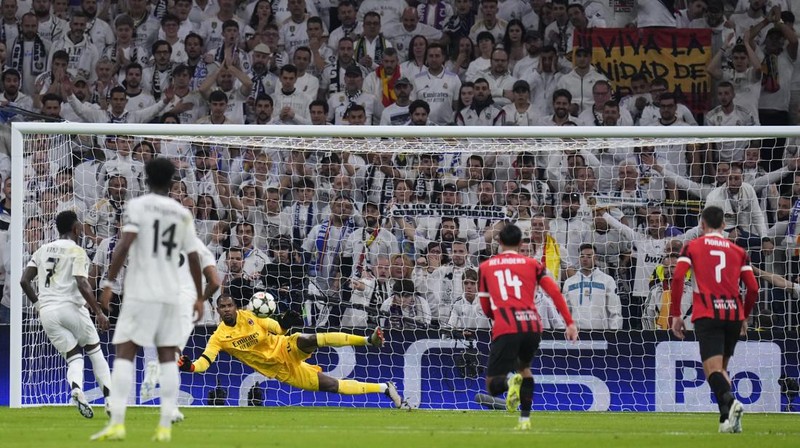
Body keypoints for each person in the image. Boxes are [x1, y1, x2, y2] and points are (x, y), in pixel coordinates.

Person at [91, 158, 204, 442]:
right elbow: (193, 258)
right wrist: (200, 297)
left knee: (125, 354)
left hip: (139, 291)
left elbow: (124, 245)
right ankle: (165, 423)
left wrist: (108, 283)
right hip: (168, 292)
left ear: (145, 178)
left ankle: (117, 422)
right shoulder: (181, 213)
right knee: (168, 356)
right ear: (172, 181)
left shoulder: (137, 206)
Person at [178, 295, 407, 408]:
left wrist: (285, 324)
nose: (227, 309)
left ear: (235, 307)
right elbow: (205, 362)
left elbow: (277, 329)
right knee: (332, 386)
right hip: (280, 370)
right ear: (217, 310)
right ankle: (385, 388)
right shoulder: (219, 336)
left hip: (284, 348)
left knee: (310, 340)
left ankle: (368, 340)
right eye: (222, 307)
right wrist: (190, 366)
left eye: (229, 305)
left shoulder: (252, 316)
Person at [670, 206, 760, 433]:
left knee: (712, 371)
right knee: (721, 370)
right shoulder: (738, 251)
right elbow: (753, 288)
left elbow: (679, 277)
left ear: (702, 224)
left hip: (708, 313)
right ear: (723, 225)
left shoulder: (692, 246)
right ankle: (726, 421)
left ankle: (731, 403)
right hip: (732, 314)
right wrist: (744, 315)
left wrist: (675, 314)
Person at [478, 223, 577, 430]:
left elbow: (486, 306)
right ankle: (524, 420)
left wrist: (495, 318)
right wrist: (569, 322)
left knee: (493, 386)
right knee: (525, 370)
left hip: (506, 325)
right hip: (532, 325)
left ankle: (510, 383)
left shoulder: (486, 267)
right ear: (521, 242)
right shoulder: (533, 264)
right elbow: (554, 293)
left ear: (499, 242)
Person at [19, 210, 112, 419]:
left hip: (48, 313)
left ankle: (77, 388)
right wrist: (98, 312)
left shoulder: (42, 250)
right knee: (95, 351)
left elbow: (24, 281)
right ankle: (110, 400)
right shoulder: (77, 251)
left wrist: (37, 304)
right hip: (71, 308)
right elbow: (82, 282)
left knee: (73, 357)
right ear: (75, 228)